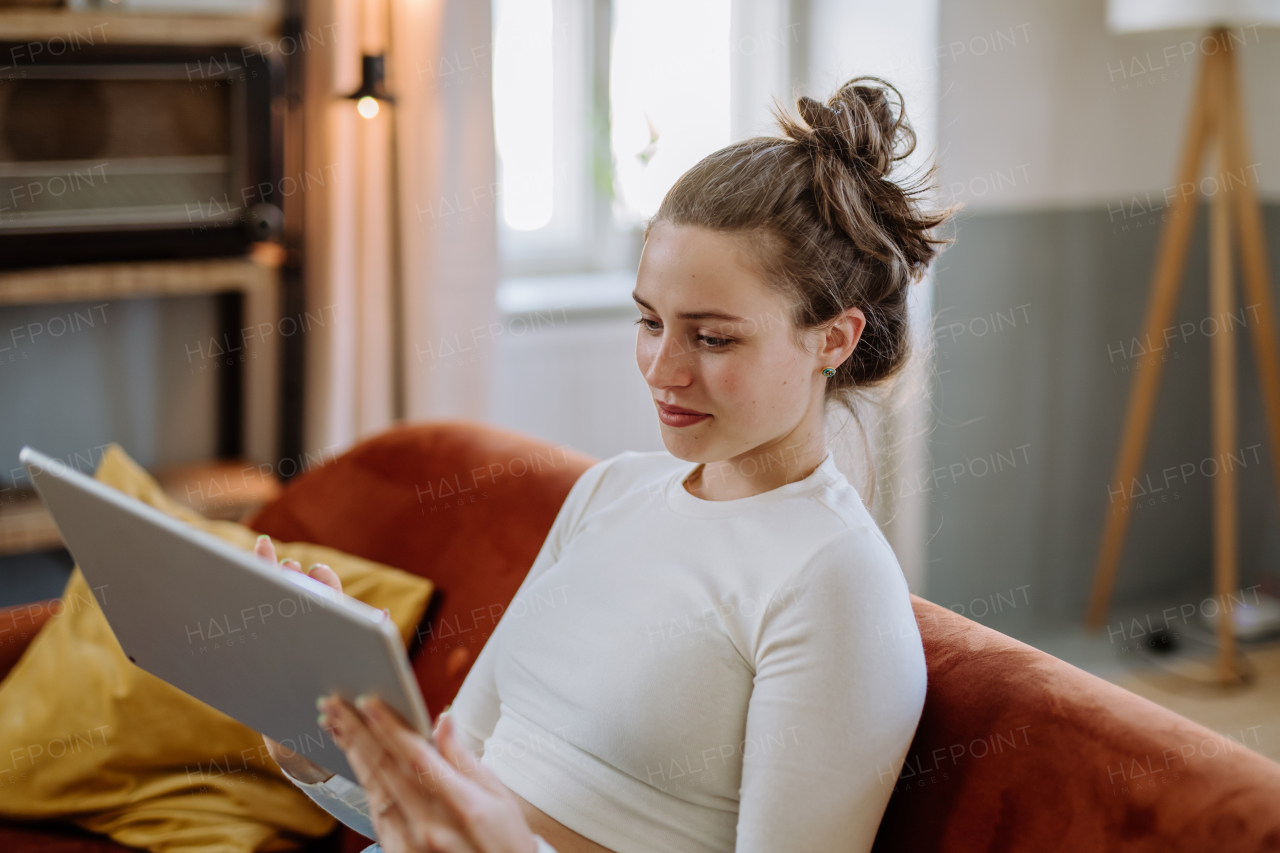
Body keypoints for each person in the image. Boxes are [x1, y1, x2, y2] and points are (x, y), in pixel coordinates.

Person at [257, 75, 950, 853]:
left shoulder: (832, 577)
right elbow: (454, 792)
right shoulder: (610, 491)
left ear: (834, 338)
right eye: (650, 321)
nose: (662, 368)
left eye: (712, 337)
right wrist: (319, 746)